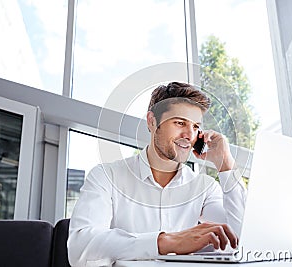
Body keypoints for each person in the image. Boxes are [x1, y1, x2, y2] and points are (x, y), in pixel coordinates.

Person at [68, 82, 247, 267]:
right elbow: (79, 249)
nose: (189, 134)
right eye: (180, 123)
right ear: (152, 121)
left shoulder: (206, 187)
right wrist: (164, 242)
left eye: (195, 127)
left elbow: (240, 242)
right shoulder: (106, 176)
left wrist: (225, 163)